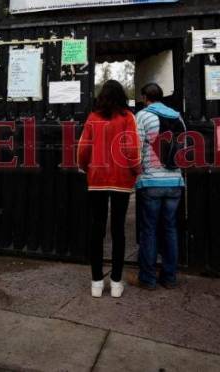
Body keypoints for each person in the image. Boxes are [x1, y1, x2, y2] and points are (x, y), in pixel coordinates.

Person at [77, 80, 141, 298]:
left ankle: (96, 282)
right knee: (118, 230)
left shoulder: (93, 117)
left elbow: (83, 148)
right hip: (121, 178)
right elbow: (131, 148)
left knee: (97, 228)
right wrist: (136, 169)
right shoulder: (128, 117)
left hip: (97, 177)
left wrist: (84, 167)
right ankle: (115, 282)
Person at [135, 82, 185, 290]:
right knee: (170, 229)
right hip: (175, 182)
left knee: (149, 230)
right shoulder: (177, 117)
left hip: (151, 181)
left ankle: (148, 278)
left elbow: (136, 148)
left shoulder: (143, 116)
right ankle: (170, 277)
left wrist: (136, 172)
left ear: (145, 97)